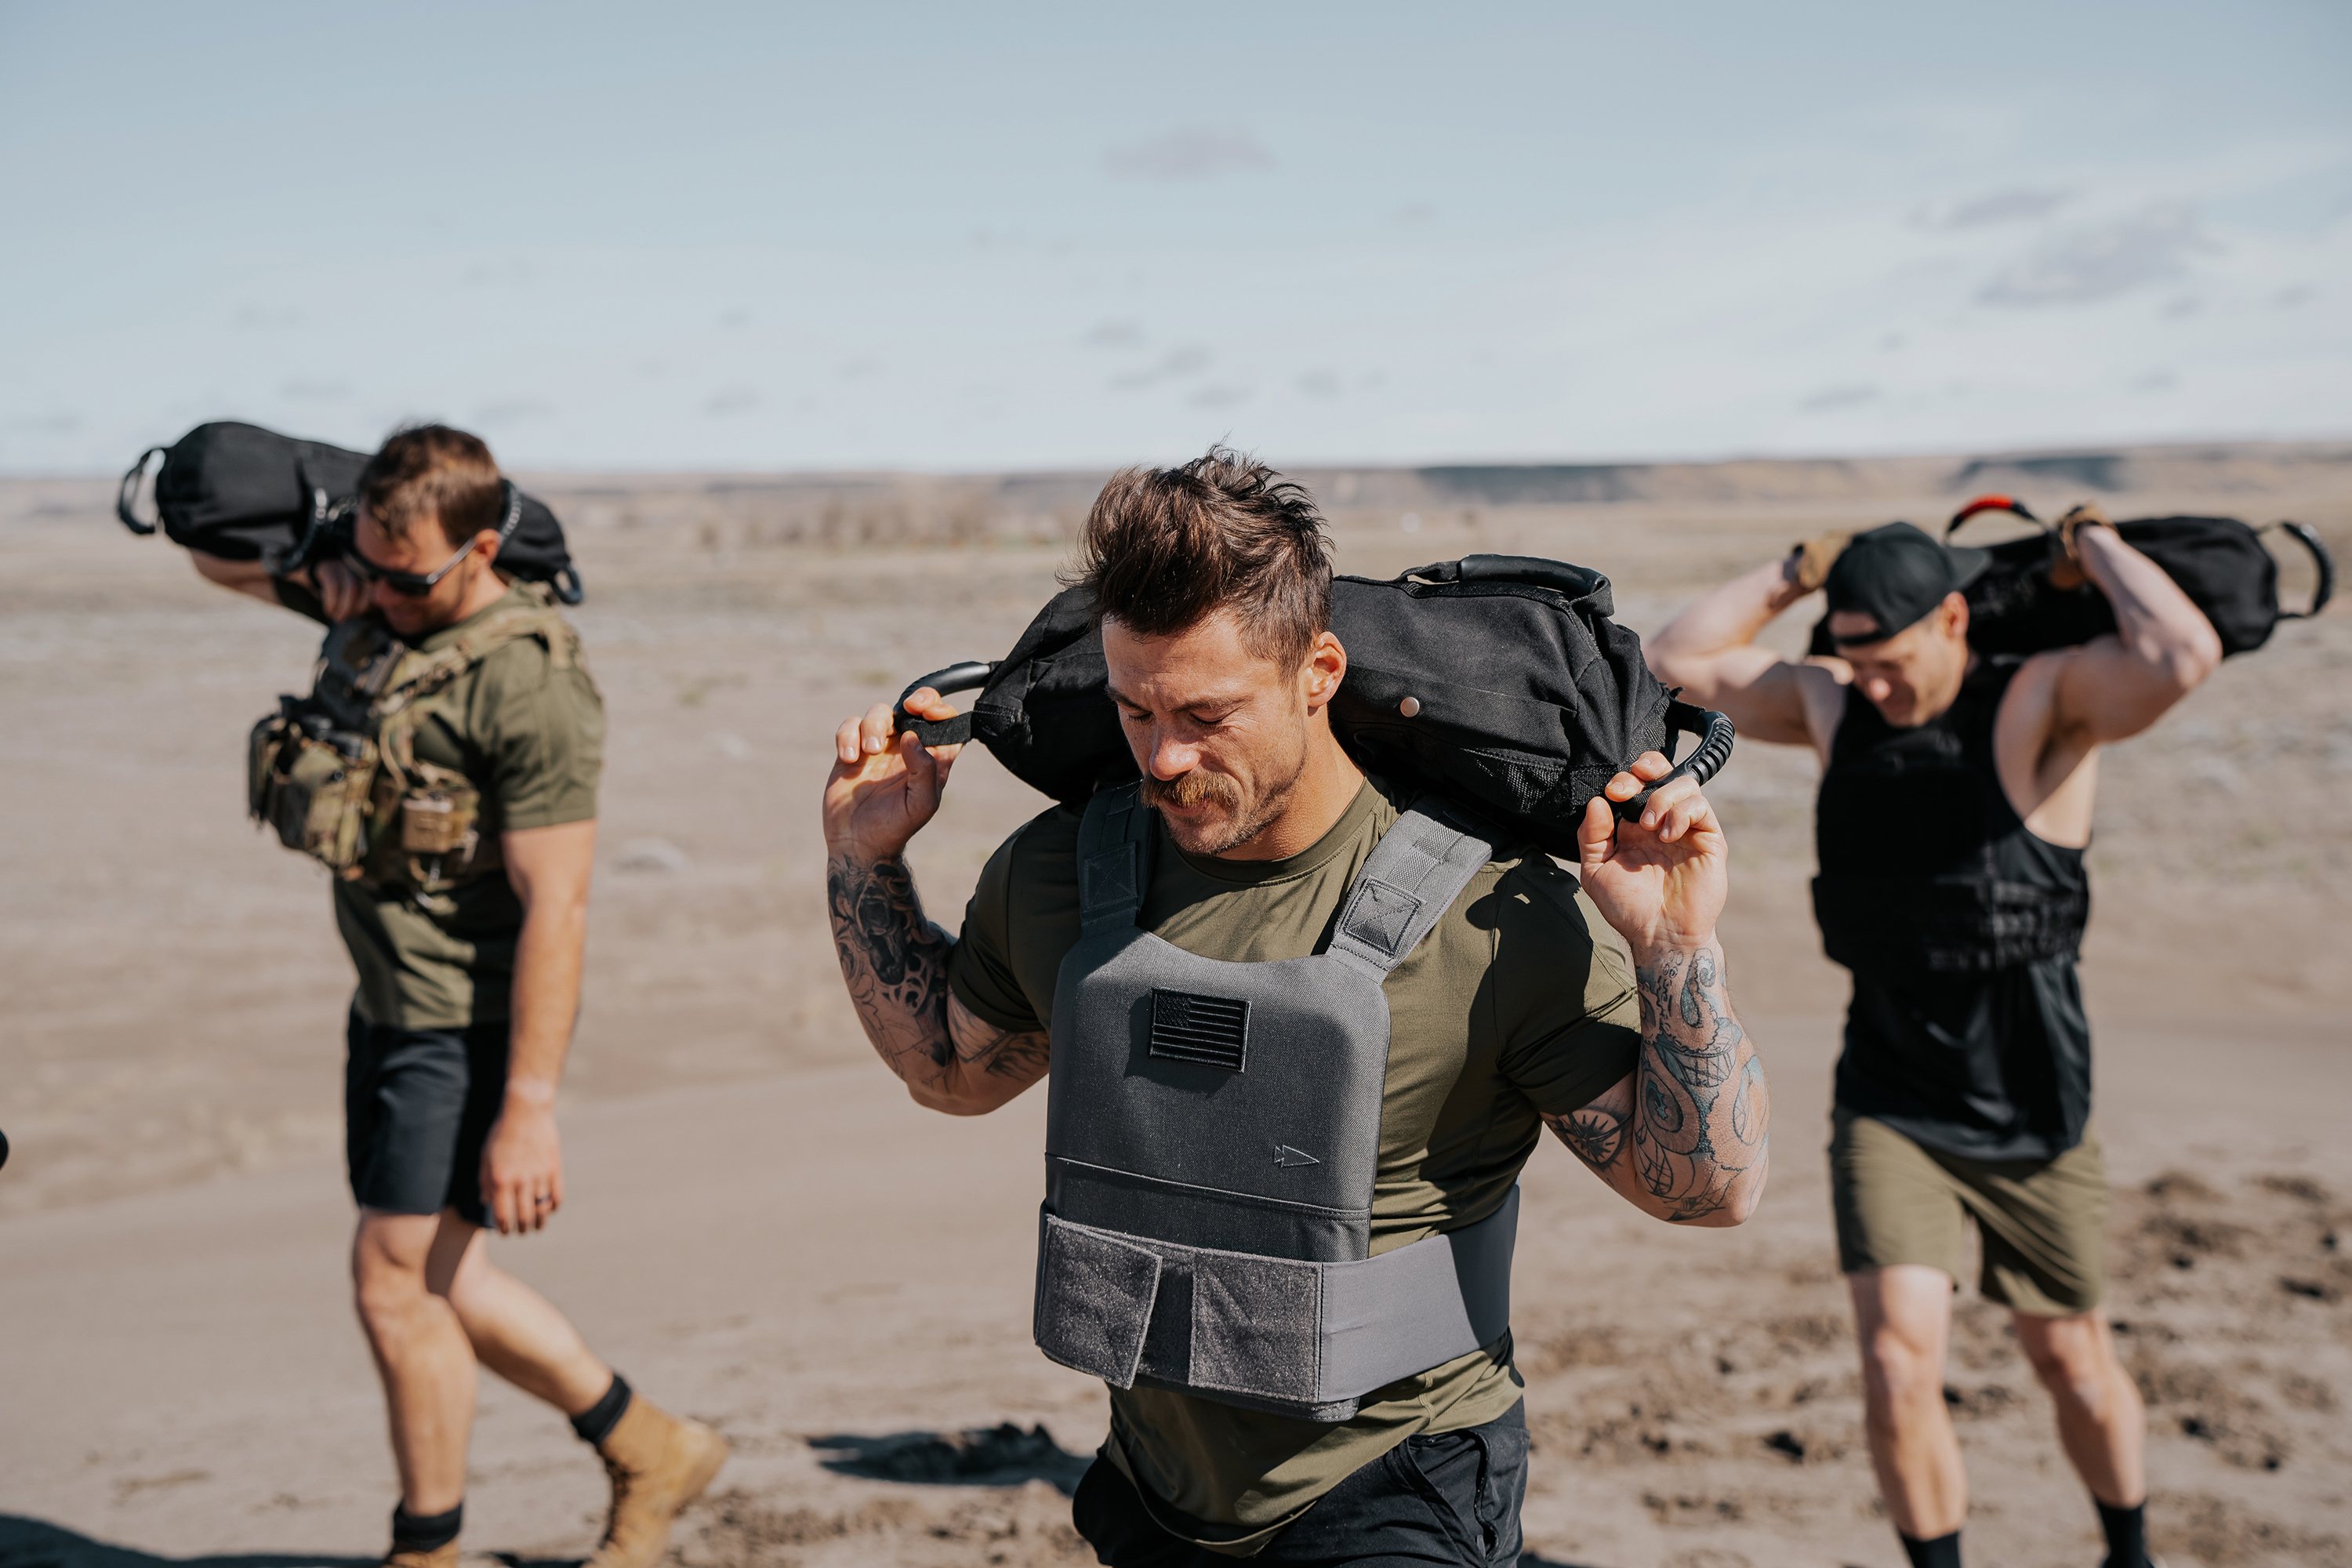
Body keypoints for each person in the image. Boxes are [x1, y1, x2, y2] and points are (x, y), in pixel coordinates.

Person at [822, 448, 1770, 1564]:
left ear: (1319, 671)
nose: (1165, 758)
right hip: (1155, 1482)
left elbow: (1709, 1192)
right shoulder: (1066, 873)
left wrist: (1674, 948)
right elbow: (947, 1068)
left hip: (1400, 1478)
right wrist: (860, 858)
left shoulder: (1489, 917)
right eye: (1135, 711)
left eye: (1208, 714)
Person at [189, 425, 726, 1568]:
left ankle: (429, 1547)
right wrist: (331, 561)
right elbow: (213, 561)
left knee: (393, 1281)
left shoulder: (526, 681)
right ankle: (650, 1444)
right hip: (386, 1005)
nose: (384, 591)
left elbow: (560, 907)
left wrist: (529, 1105)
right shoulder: (383, 601)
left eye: (408, 574)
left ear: (481, 548)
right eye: (371, 565)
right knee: (440, 1275)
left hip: (463, 1023)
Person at [1646, 511, 2222, 1568]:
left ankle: (2129, 1553)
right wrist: (1795, 570)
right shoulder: (1833, 704)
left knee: (2070, 1358)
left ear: (1954, 618)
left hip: (2035, 1104)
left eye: (1891, 660)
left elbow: (2182, 654)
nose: (1869, 685)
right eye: (1851, 660)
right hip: (1891, 1097)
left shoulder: (2044, 699)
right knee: (1898, 1367)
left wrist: (2090, 546)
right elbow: (1676, 657)